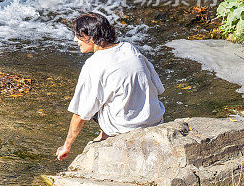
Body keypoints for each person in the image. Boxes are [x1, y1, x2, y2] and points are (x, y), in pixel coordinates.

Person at [56, 12, 165, 161]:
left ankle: (106, 136)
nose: (75, 40)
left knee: (90, 102)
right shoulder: (129, 48)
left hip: (125, 129)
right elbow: (158, 87)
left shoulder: (94, 64)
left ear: (92, 37)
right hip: (154, 119)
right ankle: (106, 132)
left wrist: (66, 146)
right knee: (108, 93)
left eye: (78, 35)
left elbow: (80, 114)